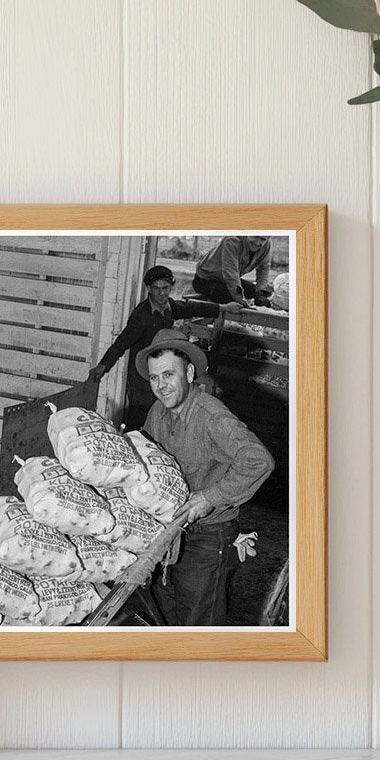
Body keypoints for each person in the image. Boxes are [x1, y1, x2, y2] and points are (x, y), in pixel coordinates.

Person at [135, 329, 274, 626]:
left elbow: (259, 460)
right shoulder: (158, 412)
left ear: (188, 373)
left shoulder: (211, 417)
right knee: (168, 610)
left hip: (209, 536)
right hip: (173, 530)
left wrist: (210, 497)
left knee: (200, 620)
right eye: (154, 378)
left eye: (168, 375)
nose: (161, 386)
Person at [88, 265, 240, 432]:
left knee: (160, 418)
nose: (162, 293)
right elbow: (121, 344)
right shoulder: (141, 317)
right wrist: (103, 366)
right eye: (156, 289)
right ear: (149, 289)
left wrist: (223, 308)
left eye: (166, 288)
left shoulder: (169, 307)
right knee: (139, 420)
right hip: (142, 379)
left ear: (171, 287)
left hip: (161, 371)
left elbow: (190, 308)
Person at [192, 236, 273, 307]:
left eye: (263, 239)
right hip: (206, 280)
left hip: (224, 280)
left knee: (254, 292)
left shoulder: (266, 246)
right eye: (255, 236)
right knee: (233, 299)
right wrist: (240, 299)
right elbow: (231, 274)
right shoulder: (232, 241)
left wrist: (260, 292)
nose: (258, 243)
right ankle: (217, 315)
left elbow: (264, 269)